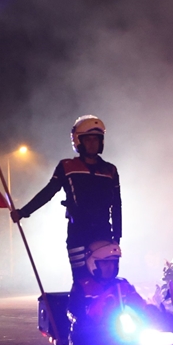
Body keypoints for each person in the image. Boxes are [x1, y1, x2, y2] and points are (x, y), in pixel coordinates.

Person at [10, 115, 121, 287]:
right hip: (78, 233)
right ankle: (77, 312)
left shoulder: (110, 170)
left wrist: (117, 236)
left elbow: (117, 205)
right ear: (78, 141)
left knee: (107, 280)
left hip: (104, 233)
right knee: (81, 280)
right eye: (88, 139)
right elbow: (48, 192)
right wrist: (24, 212)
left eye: (96, 139)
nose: (93, 143)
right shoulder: (67, 166)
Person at [66, 240, 146, 345]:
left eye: (113, 263)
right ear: (93, 264)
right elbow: (73, 312)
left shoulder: (121, 285)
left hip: (116, 334)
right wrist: (86, 322)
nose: (110, 268)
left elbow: (141, 305)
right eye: (104, 264)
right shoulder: (82, 286)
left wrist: (164, 317)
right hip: (86, 337)